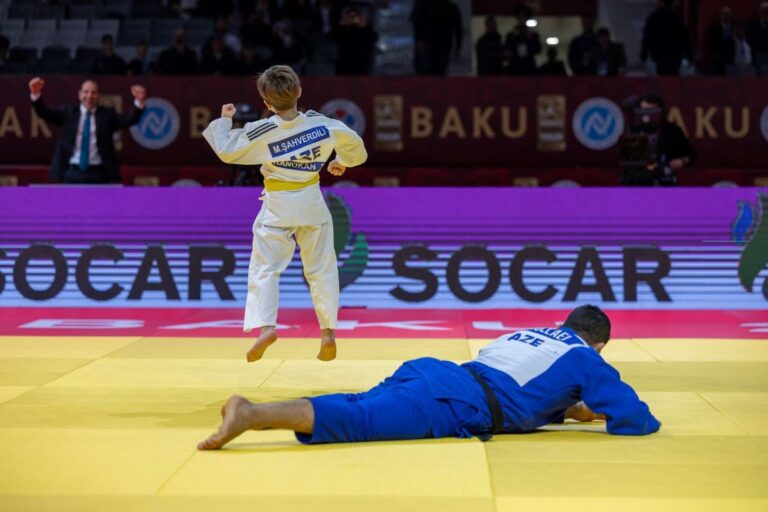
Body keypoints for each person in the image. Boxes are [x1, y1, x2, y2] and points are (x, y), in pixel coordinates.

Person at [197, 305, 661, 450]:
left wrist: (572, 409)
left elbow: (523, 382)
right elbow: (635, 418)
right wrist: (602, 410)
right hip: (460, 402)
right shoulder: (587, 358)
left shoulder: (533, 334)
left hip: (437, 372)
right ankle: (251, 413)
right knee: (359, 423)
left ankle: (259, 413)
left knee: (358, 407)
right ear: (598, 343)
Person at [202, 65, 367, 362]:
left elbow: (227, 151)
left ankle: (266, 327)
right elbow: (357, 147)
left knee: (265, 268)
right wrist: (342, 159)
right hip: (311, 202)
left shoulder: (263, 130)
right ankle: (328, 331)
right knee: (322, 269)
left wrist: (225, 120)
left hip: (278, 206)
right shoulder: (323, 124)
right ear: (299, 91)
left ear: (266, 104)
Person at [28, 77, 146, 184]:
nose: (89, 96)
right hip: (72, 171)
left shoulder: (107, 115)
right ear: (79, 95)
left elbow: (129, 120)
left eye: (93, 93)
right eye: (86, 92)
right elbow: (44, 113)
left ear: (98, 96)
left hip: (99, 173)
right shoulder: (68, 113)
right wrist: (35, 94)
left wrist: (139, 102)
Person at [621, 94, 696, 186]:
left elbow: (690, 154)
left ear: (661, 111)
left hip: (663, 181)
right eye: (643, 110)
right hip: (635, 183)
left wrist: (682, 161)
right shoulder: (633, 130)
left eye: (651, 110)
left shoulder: (672, 130)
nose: (647, 114)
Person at [640, 0, 692, 76]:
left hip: (659, 55)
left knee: (662, 79)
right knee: (673, 78)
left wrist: (643, 54)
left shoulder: (654, 17)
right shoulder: (676, 18)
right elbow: (685, 38)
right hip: (675, 55)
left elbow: (647, 37)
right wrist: (689, 56)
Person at [411, 0, 463, 75]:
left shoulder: (452, 8)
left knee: (439, 74)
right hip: (427, 46)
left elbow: (458, 30)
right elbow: (417, 25)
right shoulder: (424, 5)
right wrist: (419, 41)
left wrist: (457, 49)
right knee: (426, 73)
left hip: (444, 47)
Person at [333, 8, 378, 75]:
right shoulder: (342, 28)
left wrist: (364, 26)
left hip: (361, 62)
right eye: (350, 17)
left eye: (354, 16)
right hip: (344, 62)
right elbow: (333, 37)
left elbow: (374, 38)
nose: (352, 19)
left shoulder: (365, 27)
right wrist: (341, 25)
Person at [504, 5, 541, 76]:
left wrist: (530, 38)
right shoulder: (511, 35)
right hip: (515, 68)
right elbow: (507, 51)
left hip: (529, 68)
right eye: (520, 16)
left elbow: (538, 50)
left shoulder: (533, 35)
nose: (522, 19)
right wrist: (514, 37)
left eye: (524, 16)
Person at [706, 6, 734, 75]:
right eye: (724, 14)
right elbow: (710, 44)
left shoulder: (734, 28)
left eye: (727, 14)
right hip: (718, 58)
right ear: (720, 16)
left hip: (732, 58)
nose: (725, 16)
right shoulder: (714, 28)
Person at [748, 2, 768, 75]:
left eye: (767, 10)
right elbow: (750, 38)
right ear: (760, 12)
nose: (766, 13)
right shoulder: (753, 24)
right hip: (757, 53)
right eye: (764, 10)